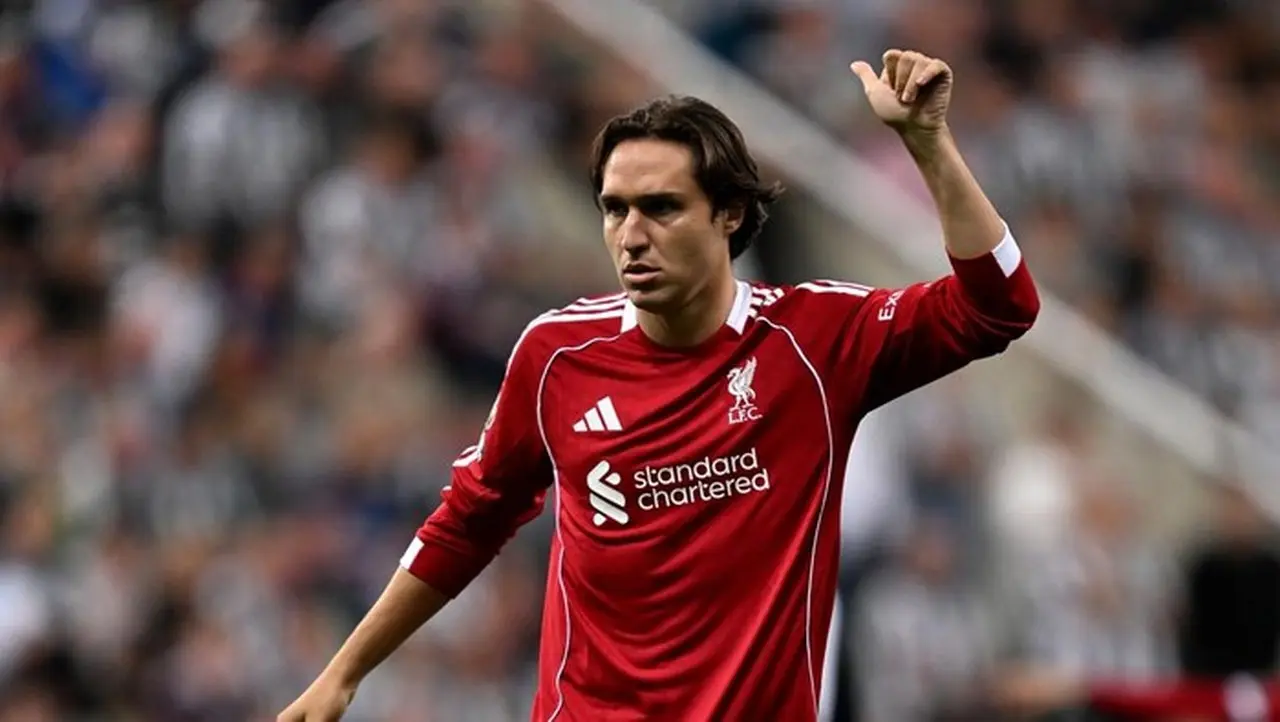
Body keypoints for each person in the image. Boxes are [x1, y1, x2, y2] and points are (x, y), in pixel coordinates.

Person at [278, 48, 1041, 722]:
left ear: (728, 214)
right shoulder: (557, 355)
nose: (631, 235)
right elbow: (466, 522)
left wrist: (928, 144)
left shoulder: (815, 341)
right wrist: (344, 672)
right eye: (614, 209)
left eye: (662, 207)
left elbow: (1001, 305)